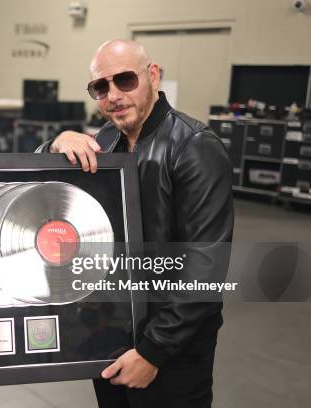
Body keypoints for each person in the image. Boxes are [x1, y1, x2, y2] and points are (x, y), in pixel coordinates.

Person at [37, 39, 234, 407]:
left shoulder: (194, 148)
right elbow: (39, 187)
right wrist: (55, 144)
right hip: (110, 340)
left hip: (172, 354)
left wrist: (153, 352)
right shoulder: (105, 142)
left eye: (125, 80)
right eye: (101, 86)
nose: (113, 95)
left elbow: (205, 269)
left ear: (153, 76)